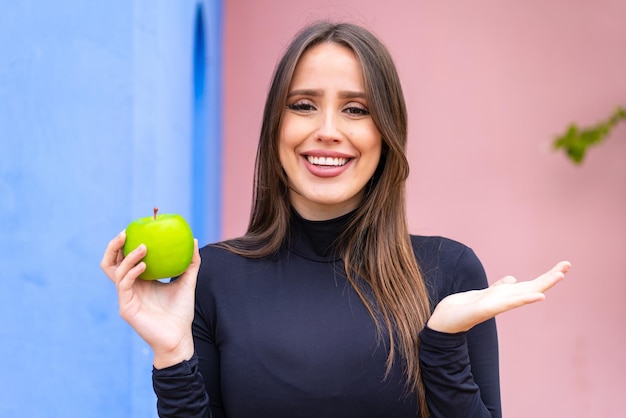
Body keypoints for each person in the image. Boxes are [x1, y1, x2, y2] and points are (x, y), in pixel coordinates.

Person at [101, 21, 570, 418]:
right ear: (275, 127)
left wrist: (442, 344)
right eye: (304, 105)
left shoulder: (448, 272)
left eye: (355, 109)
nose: (327, 131)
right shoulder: (211, 277)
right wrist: (171, 353)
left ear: (386, 132)